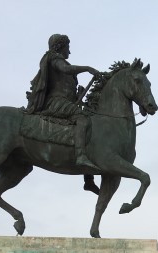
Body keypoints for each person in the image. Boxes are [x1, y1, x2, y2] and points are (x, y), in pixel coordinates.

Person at [25, 34, 100, 169]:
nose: (69, 51)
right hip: (55, 102)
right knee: (82, 118)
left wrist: (78, 94)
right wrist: (87, 68)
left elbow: (67, 90)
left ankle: (88, 177)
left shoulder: (60, 62)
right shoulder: (54, 59)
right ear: (60, 47)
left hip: (63, 102)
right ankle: (80, 155)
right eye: (68, 47)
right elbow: (66, 69)